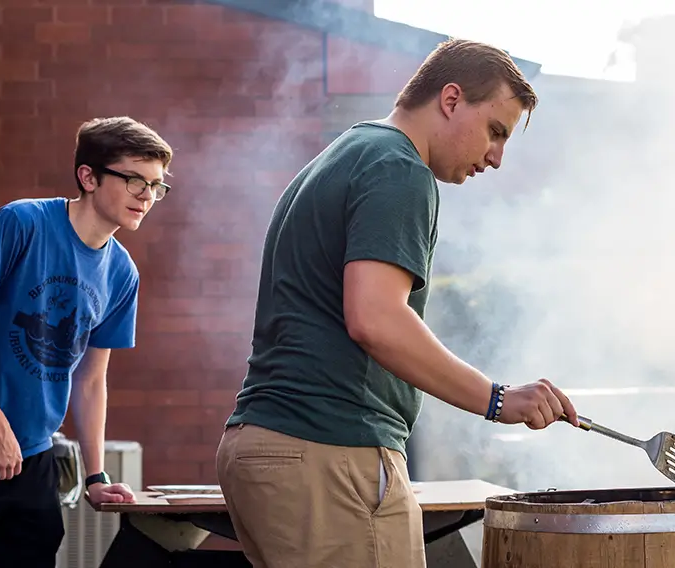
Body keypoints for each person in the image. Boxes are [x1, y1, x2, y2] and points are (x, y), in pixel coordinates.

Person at [215, 38, 581, 568]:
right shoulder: (399, 169)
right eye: (495, 132)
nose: (497, 158)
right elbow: (376, 317)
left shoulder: (349, 152)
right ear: (451, 100)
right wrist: (497, 399)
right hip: (331, 454)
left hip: (273, 447)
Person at [0, 116, 172, 568]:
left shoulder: (122, 273)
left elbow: (90, 381)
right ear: (89, 176)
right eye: (134, 180)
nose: (147, 196)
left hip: (32, 459)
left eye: (156, 186)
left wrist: (96, 474)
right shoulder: (22, 223)